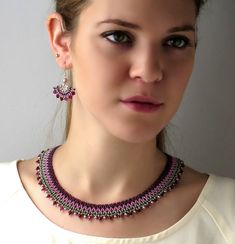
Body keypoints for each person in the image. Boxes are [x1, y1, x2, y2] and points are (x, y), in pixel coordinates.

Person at [0, 0, 235, 243]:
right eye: (119, 36)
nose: (149, 71)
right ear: (61, 42)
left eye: (176, 41)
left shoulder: (227, 216)